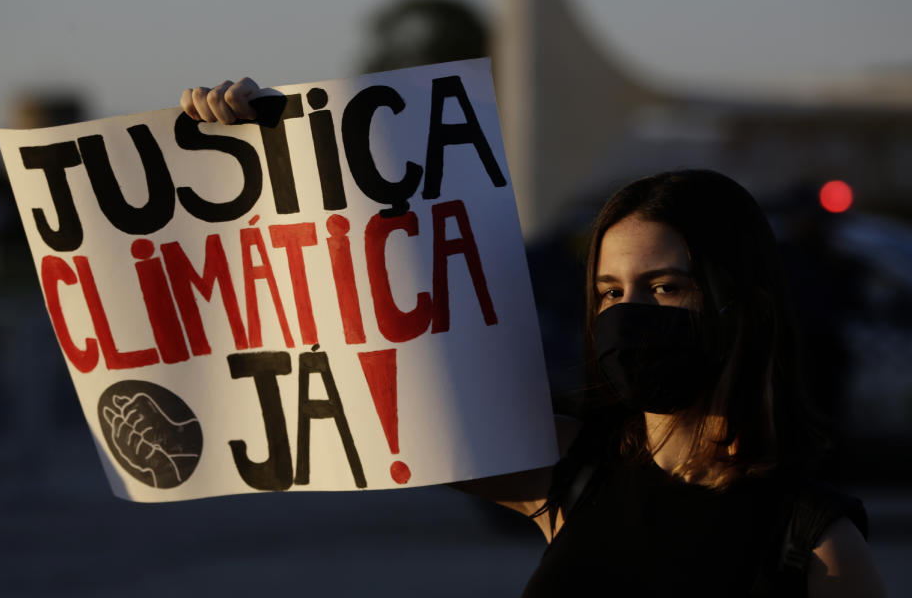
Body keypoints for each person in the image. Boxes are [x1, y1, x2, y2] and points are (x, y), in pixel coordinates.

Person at [181, 79, 887, 597]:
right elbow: (360, 377)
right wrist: (278, 160)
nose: (628, 313)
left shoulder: (819, 549)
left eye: (667, 287)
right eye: (610, 292)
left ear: (742, 305)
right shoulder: (571, 470)